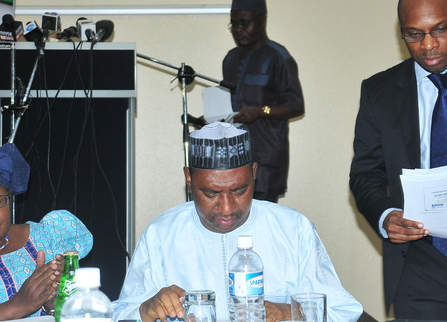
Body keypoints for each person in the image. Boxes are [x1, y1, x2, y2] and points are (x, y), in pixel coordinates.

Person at [112, 122, 362, 322]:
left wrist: (287, 312)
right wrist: (145, 311)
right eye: (211, 193)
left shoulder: (293, 230)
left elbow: (344, 312)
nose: (227, 208)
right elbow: (119, 315)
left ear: (254, 173)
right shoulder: (161, 235)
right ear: (189, 179)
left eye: (239, 190)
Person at [350, 0, 447, 320]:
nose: (429, 44)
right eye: (414, 34)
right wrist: (385, 216)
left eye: (440, 29)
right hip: (419, 263)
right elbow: (365, 174)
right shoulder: (379, 92)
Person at [0, 142, 93, 320]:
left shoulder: (48, 237)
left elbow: (85, 313)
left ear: (10, 201)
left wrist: (54, 304)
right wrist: (16, 306)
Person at [223, 0, 305, 203]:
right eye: (233, 24)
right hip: (233, 155)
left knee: (262, 220)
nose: (238, 30)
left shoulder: (278, 57)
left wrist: (261, 111)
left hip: (266, 156)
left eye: (244, 23)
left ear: (262, 20)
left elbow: (296, 106)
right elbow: (229, 103)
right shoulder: (231, 59)